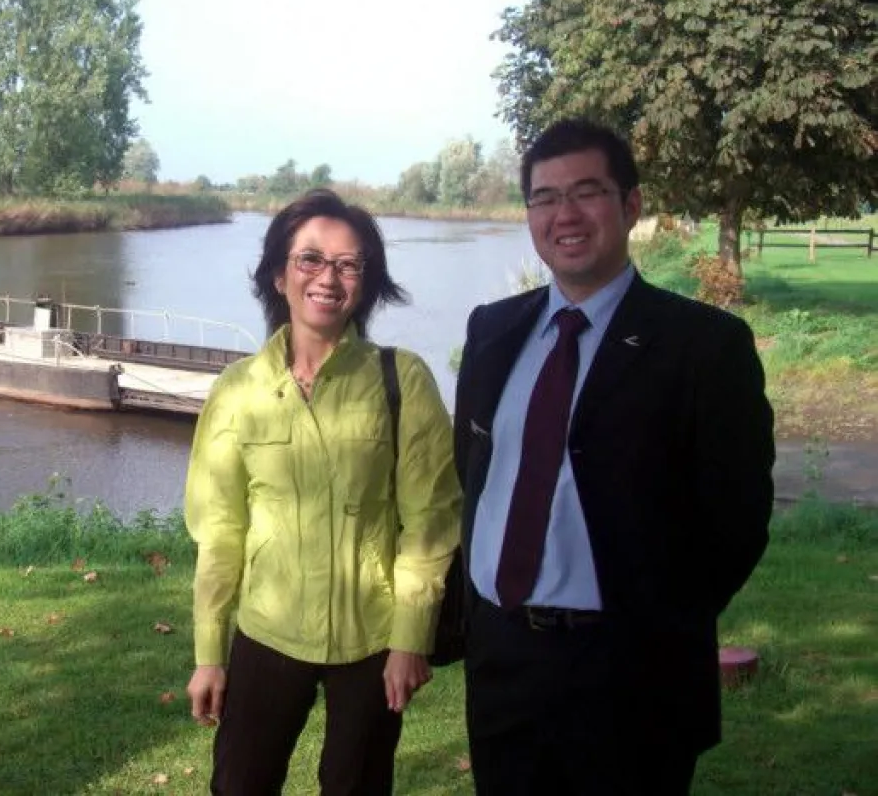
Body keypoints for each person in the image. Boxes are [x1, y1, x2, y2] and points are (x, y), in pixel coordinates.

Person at [453, 118, 774, 795]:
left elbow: (737, 519)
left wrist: (657, 621)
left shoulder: (703, 347)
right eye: (543, 197)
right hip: (504, 663)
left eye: (586, 192)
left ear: (629, 206)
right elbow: (477, 478)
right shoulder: (491, 331)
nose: (563, 214)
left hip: (631, 673)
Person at [185, 188, 462, 795]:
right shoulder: (237, 391)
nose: (328, 278)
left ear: (367, 280)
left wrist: (411, 638)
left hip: (373, 637)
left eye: (348, 263)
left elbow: (431, 519)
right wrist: (210, 652)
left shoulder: (402, 379)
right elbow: (220, 528)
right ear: (279, 274)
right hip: (267, 629)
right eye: (310, 259)